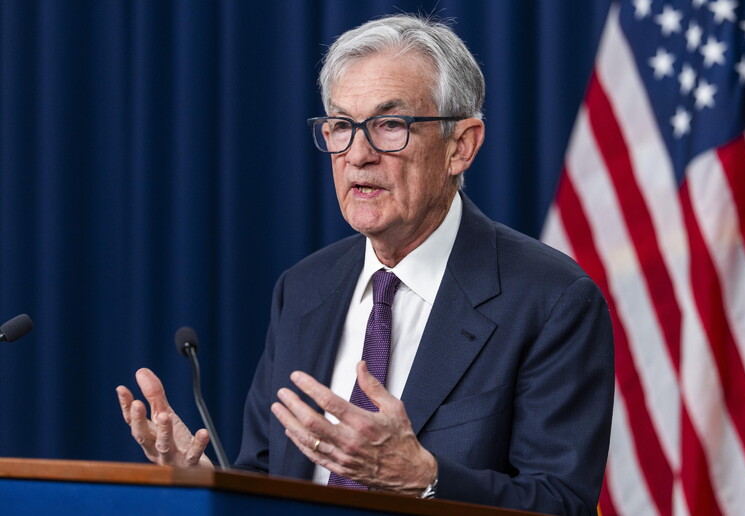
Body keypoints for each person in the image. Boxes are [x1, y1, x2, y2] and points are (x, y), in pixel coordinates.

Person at [116, 14, 614, 515]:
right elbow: (267, 478)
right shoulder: (303, 288)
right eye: (341, 126)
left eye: (390, 125)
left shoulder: (551, 300)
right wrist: (203, 482)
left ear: (460, 146)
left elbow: (561, 504)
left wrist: (424, 479)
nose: (357, 155)